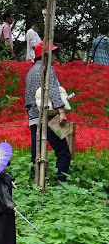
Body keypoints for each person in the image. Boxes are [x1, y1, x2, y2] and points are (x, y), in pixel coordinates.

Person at [25, 41, 71, 181]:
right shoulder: (48, 69)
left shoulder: (31, 72)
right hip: (50, 117)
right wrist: (61, 112)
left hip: (34, 117)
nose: (56, 58)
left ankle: (33, 183)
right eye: (54, 54)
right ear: (45, 55)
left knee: (36, 154)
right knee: (64, 152)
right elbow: (53, 91)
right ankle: (61, 183)